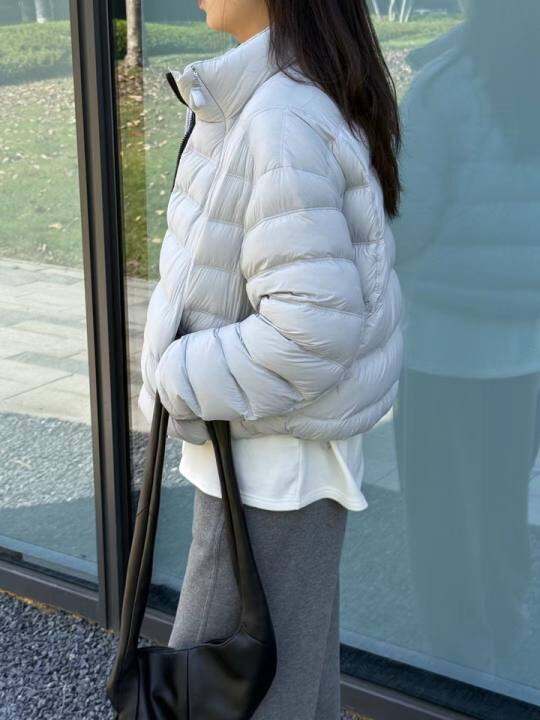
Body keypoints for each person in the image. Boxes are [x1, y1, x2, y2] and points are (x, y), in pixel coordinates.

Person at [138, 0, 403, 717]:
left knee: (228, 696)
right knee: (286, 688)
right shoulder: (280, 97)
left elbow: (307, 333)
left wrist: (173, 372)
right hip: (270, 458)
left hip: (267, 470)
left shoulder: (280, 115)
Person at [393, 0, 540, 676]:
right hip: (527, 353)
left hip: (442, 353)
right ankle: (507, 629)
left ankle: (459, 661)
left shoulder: (442, 87)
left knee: (442, 515)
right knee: (503, 499)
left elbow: (407, 224)